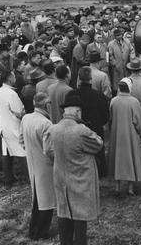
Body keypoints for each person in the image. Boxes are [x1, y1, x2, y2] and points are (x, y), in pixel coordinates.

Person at [44, 92, 103, 245]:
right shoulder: (81, 131)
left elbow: (48, 151)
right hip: (80, 178)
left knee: (63, 214)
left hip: (60, 178)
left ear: (65, 111)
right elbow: (98, 144)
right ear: (78, 112)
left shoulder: (53, 129)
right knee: (80, 216)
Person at [19, 92, 55, 240]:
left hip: (32, 164)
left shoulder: (26, 118)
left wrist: (31, 151)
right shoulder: (46, 124)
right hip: (45, 166)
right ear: (46, 105)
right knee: (46, 201)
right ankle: (41, 232)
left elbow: (21, 140)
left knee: (37, 200)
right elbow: (50, 150)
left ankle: (33, 231)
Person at [108, 77, 141, 196]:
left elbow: (110, 118)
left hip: (117, 134)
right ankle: (130, 188)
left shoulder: (114, 101)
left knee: (117, 159)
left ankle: (117, 187)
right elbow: (138, 121)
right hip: (130, 134)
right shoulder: (134, 101)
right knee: (131, 158)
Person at [70, 66, 110, 177]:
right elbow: (106, 114)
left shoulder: (72, 94)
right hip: (95, 127)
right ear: (90, 78)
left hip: (76, 128)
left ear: (79, 78)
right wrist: (98, 123)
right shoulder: (98, 95)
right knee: (97, 151)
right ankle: (100, 172)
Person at [0, 71, 26, 185]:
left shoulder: (0, 91)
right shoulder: (11, 93)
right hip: (13, 126)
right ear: (9, 79)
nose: (15, 78)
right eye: (13, 76)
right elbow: (18, 112)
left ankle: (8, 178)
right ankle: (29, 177)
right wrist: (24, 113)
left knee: (7, 153)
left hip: (3, 125)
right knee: (22, 152)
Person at [108, 28, 134, 94]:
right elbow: (110, 56)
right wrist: (115, 64)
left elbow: (132, 51)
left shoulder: (127, 41)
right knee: (118, 86)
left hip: (127, 66)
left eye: (120, 35)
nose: (119, 36)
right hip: (117, 68)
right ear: (114, 36)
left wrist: (131, 61)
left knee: (128, 84)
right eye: (117, 35)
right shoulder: (111, 44)